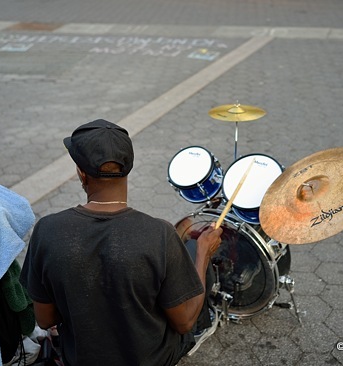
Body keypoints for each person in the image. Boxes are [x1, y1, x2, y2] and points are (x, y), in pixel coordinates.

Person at [20, 119, 223, 365]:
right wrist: (202, 254)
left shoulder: (47, 231)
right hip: (151, 359)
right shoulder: (160, 234)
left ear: (81, 174)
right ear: (127, 171)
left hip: (81, 358)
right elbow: (185, 322)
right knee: (192, 269)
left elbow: (45, 320)